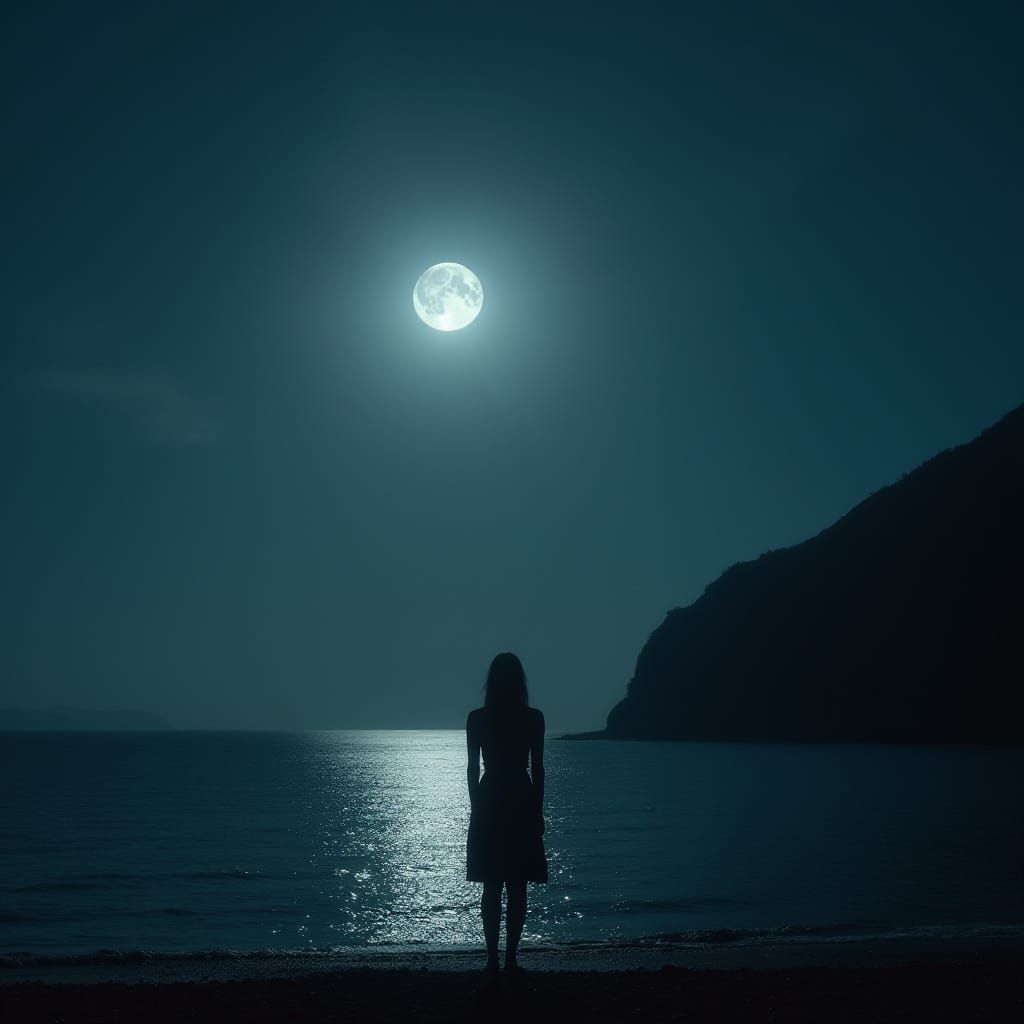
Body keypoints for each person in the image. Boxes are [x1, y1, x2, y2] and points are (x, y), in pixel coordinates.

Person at [466, 652, 547, 975]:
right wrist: (537, 811)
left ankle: (492, 958)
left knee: (492, 883)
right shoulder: (533, 718)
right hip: (520, 795)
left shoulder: (477, 718)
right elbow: (538, 769)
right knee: (517, 884)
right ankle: (510, 957)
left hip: (490, 798)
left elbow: (473, 769)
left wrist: (476, 809)